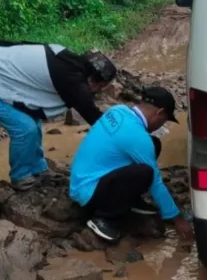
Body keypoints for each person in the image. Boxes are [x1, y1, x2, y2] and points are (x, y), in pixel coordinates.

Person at [0, 41, 117, 191]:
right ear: (93, 80)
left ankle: (38, 169)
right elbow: (93, 116)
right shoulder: (74, 81)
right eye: (100, 87)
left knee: (34, 122)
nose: (97, 92)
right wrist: (120, 135)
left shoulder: (67, 58)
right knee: (25, 129)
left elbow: (15, 44)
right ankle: (20, 177)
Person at [69, 86, 195, 243]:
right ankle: (103, 218)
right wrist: (177, 219)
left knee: (153, 143)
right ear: (159, 113)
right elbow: (156, 182)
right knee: (146, 172)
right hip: (88, 192)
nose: (161, 126)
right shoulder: (137, 136)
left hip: (82, 178)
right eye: (164, 121)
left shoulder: (118, 110)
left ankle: (128, 199)